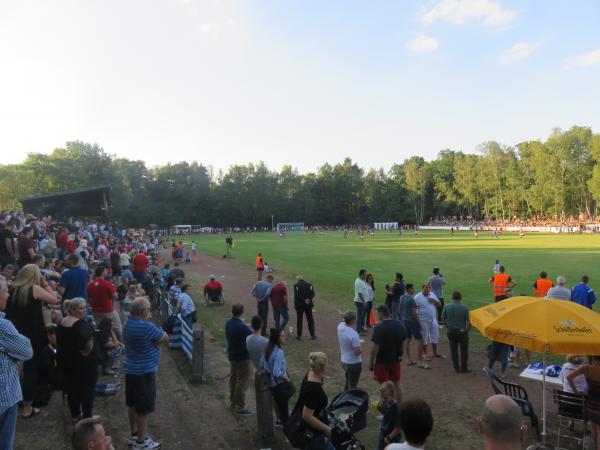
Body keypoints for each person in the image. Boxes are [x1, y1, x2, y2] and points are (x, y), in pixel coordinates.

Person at [4, 264, 59, 418]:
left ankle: (12, 401)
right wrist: (45, 283)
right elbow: (54, 299)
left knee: (13, 369)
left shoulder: (11, 287)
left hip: (12, 333)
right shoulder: (34, 289)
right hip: (32, 335)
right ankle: (27, 407)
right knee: (30, 369)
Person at [123, 297, 169, 450]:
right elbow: (165, 337)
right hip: (144, 372)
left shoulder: (127, 323)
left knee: (133, 405)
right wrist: (157, 343)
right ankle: (141, 443)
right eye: (148, 310)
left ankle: (134, 435)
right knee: (143, 409)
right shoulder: (146, 326)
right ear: (144, 311)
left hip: (131, 370)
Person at [0, 275, 33, 450]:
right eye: (6, 291)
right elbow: (27, 351)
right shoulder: (3, 326)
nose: (8, 295)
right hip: (4, 396)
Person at [56, 298, 98, 421]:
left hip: (66, 362)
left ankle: (75, 415)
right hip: (83, 364)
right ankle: (87, 416)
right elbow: (88, 345)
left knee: (71, 389)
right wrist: (87, 353)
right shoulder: (80, 325)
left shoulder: (62, 322)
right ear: (73, 310)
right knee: (87, 389)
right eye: (81, 308)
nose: (84, 310)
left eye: (85, 307)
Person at [296, 352, 334, 450]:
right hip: (314, 432)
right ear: (323, 367)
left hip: (316, 424)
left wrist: (321, 377)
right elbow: (307, 416)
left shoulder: (310, 373)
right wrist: (327, 429)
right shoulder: (314, 390)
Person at [370, 305, 406, 400]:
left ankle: (386, 412)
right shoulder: (399, 324)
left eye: (378, 313)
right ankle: (399, 408)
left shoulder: (379, 327)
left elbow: (375, 348)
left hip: (382, 362)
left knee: (384, 387)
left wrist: (371, 362)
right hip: (395, 360)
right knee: (397, 385)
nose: (378, 315)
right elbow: (402, 342)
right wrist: (400, 355)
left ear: (381, 313)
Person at [567, 355, 600, 449]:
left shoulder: (587, 368)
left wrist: (576, 392)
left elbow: (569, 377)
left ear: (593, 358)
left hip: (590, 404)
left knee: (594, 431)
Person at [225, 303, 253, 416]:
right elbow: (251, 335)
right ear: (242, 312)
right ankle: (240, 405)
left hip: (232, 355)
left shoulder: (228, 323)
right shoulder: (242, 327)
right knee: (242, 382)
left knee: (233, 379)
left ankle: (233, 401)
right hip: (242, 357)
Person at [259, 328, 292, 424]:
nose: (285, 337)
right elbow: (277, 372)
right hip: (279, 386)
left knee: (279, 407)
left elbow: (261, 365)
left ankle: (279, 421)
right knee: (285, 412)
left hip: (271, 385)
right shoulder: (279, 352)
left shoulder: (267, 348)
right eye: (282, 335)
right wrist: (287, 378)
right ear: (277, 338)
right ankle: (287, 435)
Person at [87, 266, 121, 341]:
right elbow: (115, 296)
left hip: (95, 311)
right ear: (103, 273)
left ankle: (103, 344)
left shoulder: (90, 285)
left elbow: (89, 299)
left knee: (100, 329)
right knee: (117, 328)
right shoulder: (107, 284)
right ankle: (121, 344)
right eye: (105, 271)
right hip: (108, 310)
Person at [441, 291, 470, 373]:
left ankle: (456, 368)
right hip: (462, 331)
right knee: (464, 350)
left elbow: (443, 318)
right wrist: (466, 331)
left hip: (451, 331)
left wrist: (447, 326)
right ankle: (464, 368)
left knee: (453, 350)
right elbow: (469, 321)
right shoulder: (465, 308)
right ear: (460, 298)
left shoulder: (447, 306)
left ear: (452, 297)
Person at [400, 284, 426, 369]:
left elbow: (399, 310)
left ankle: (409, 359)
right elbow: (414, 313)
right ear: (409, 289)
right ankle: (420, 361)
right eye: (412, 288)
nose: (414, 290)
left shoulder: (401, 297)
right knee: (420, 339)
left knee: (407, 339)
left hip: (404, 321)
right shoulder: (411, 300)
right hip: (412, 321)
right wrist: (419, 323)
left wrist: (404, 317)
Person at [414, 285, 444, 360]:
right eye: (425, 291)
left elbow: (440, 304)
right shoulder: (417, 297)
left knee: (435, 336)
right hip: (423, 321)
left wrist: (434, 301)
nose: (427, 292)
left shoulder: (432, 294)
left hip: (433, 320)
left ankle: (435, 353)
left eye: (428, 291)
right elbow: (414, 310)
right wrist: (417, 321)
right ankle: (425, 354)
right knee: (424, 337)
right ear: (422, 289)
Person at [337, 311, 362, 390]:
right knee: (353, 385)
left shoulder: (340, 326)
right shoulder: (354, 334)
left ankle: (345, 394)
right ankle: (348, 399)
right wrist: (361, 349)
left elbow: (343, 321)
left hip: (344, 361)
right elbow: (357, 352)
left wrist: (344, 316)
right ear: (353, 321)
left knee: (349, 380)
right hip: (353, 363)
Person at [377, 381, 402, 450]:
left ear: (393, 395)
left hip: (392, 438)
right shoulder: (385, 403)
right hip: (383, 434)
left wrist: (389, 437)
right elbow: (384, 412)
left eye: (385, 397)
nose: (383, 399)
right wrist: (378, 406)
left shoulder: (397, 409)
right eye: (382, 397)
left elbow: (398, 428)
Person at [294, 275, 316, 340]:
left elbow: (296, 295)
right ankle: (312, 335)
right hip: (308, 305)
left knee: (299, 320)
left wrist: (304, 300)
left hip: (299, 305)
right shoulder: (310, 285)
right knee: (310, 320)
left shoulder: (296, 285)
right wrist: (308, 299)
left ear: (297, 280)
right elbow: (313, 293)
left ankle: (299, 335)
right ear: (303, 279)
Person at [354, 269, 369, 334]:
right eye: (365, 274)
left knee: (362, 316)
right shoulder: (359, 282)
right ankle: (359, 330)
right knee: (360, 317)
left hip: (361, 301)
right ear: (362, 274)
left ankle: (361, 328)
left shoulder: (361, 281)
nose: (366, 276)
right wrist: (364, 301)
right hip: (360, 302)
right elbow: (360, 294)